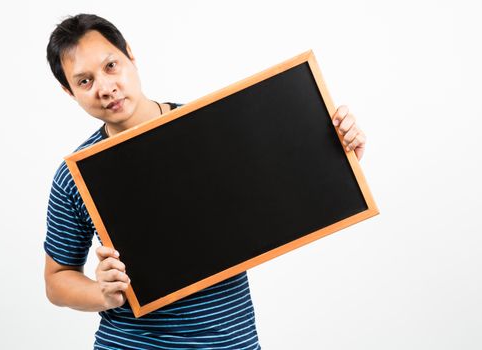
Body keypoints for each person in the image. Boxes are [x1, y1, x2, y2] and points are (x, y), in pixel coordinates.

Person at [44, 13, 367, 350]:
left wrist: (338, 152)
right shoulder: (75, 174)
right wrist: (101, 293)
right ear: (69, 91)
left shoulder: (210, 128)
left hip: (229, 342)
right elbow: (56, 279)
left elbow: (280, 192)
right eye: (84, 81)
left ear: (130, 55)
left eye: (111, 66)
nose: (105, 88)